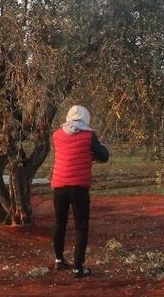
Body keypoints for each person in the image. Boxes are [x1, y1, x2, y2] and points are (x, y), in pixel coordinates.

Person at [50, 105, 109, 278]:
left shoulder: (57, 134)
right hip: (78, 188)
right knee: (80, 226)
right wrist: (97, 148)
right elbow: (104, 156)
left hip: (59, 186)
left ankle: (59, 260)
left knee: (59, 223)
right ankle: (78, 268)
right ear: (85, 118)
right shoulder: (89, 136)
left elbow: (69, 154)